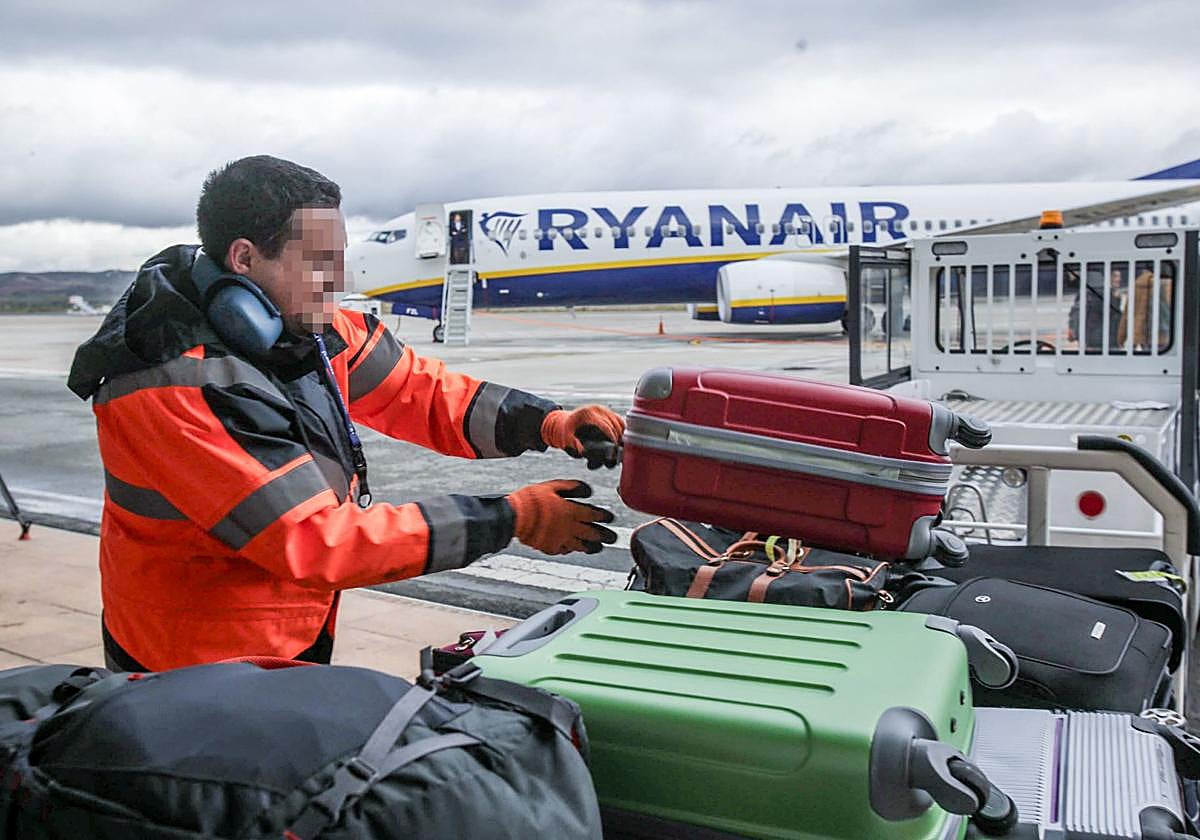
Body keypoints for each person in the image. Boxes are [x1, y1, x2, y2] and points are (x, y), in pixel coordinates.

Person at [67, 155, 626, 672]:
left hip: (284, 630)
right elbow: (314, 539)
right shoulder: (176, 383)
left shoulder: (305, 322)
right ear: (245, 258)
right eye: (320, 262)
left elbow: (418, 391)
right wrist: (512, 517)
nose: (339, 282)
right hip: (194, 656)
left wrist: (549, 422)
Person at [1117, 262, 1175, 353]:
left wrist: (1121, 338)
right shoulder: (1168, 283)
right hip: (1166, 335)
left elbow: (1127, 314)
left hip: (1144, 336)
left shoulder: (1137, 285)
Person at [1067, 267, 1123, 351]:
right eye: (1115, 276)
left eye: (1119, 276)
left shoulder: (1108, 293)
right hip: (1098, 341)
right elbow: (1078, 314)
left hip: (1105, 339)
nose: (1119, 279)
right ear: (1108, 277)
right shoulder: (1099, 294)